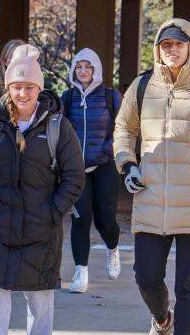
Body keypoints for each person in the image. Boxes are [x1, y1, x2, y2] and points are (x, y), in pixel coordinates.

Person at [114, 18, 190, 335]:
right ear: (157, 49)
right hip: (150, 197)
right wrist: (127, 162)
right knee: (146, 277)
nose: (172, 50)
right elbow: (124, 129)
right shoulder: (142, 86)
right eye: (166, 44)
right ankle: (162, 319)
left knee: (188, 287)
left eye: (178, 43)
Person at [0, 44, 85, 335]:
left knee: (40, 306)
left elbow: (74, 177)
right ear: (8, 87)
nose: (23, 94)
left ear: (39, 88)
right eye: (17, 87)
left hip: (41, 230)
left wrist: (53, 212)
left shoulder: (59, 126)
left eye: (29, 87)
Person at [62, 48, 123, 293]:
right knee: (81, 218)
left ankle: (113, 249)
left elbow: (124, 127)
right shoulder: (67, 98)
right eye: (79, 66)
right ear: (74, 70)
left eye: (88, 66)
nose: (83, 71)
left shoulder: (110, 96)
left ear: (96, 69)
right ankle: (80, 272)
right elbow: (60, 130)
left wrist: (111, 148)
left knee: (106, 220)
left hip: (105, 165)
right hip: (77, 168)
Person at [0, 39, 26, 107]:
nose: (17, 60)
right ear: (5, 61)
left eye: (21, 56)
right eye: (13, 56)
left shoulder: (35, 88)